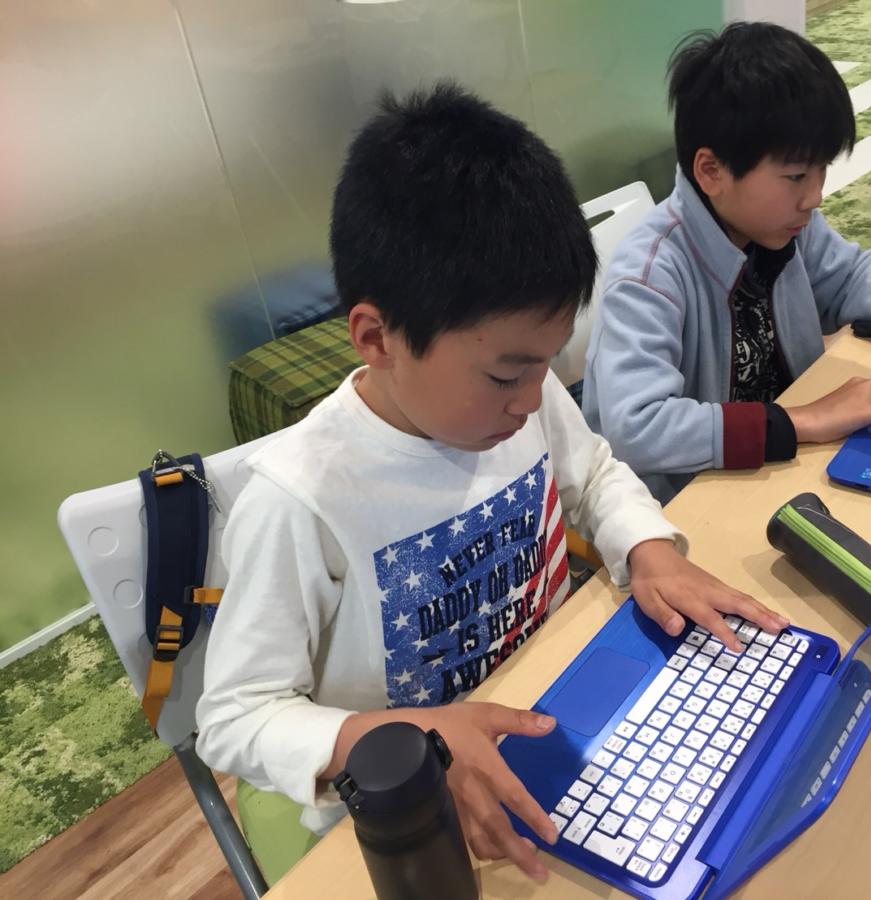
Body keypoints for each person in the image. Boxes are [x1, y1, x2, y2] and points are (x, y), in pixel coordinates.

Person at [195, 83, 789, 885]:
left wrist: (648, 548)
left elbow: (594, 475)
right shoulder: (301, 500)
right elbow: (234, 718)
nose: (534, 397)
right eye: (507, 373)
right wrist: (402, 741)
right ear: (376, 337)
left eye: (547, 363)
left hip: (550, 708)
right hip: (413, 808)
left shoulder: (522, 399)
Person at [582, 22, 871, 504]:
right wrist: (807, 419)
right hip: (690, 500)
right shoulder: (652, 272)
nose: (815, 196)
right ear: (711, 171)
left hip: (784, 461)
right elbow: (635, 426)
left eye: (822, 170)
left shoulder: (780, 225)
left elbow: (849, 277)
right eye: (797, 176)